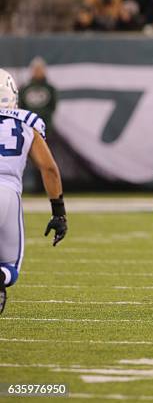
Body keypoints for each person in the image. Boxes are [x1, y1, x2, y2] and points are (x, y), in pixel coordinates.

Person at [0, 69, 67, 314]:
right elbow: (49, 168)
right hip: (8, 194)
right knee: (10, 268)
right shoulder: (26, 123)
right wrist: (58, 213)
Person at [20, 57, 57, 132]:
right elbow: (21, 106)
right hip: (28, 127)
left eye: (40, 69)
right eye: (36, 69)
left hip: (46, 127)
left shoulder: (50, 89)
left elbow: (53, 106)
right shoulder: (24, 89)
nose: (38, 72)